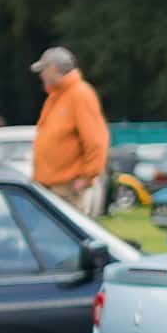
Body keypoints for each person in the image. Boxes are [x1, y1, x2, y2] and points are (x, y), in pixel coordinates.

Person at [30, 45, 110, 217]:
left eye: (43, 70)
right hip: (52, 186)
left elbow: (96, 141)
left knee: (68, 239)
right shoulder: (57, 96)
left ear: (52, 69)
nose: (41, 75)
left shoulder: (80, 94)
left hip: (68, 188)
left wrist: (86, 178)